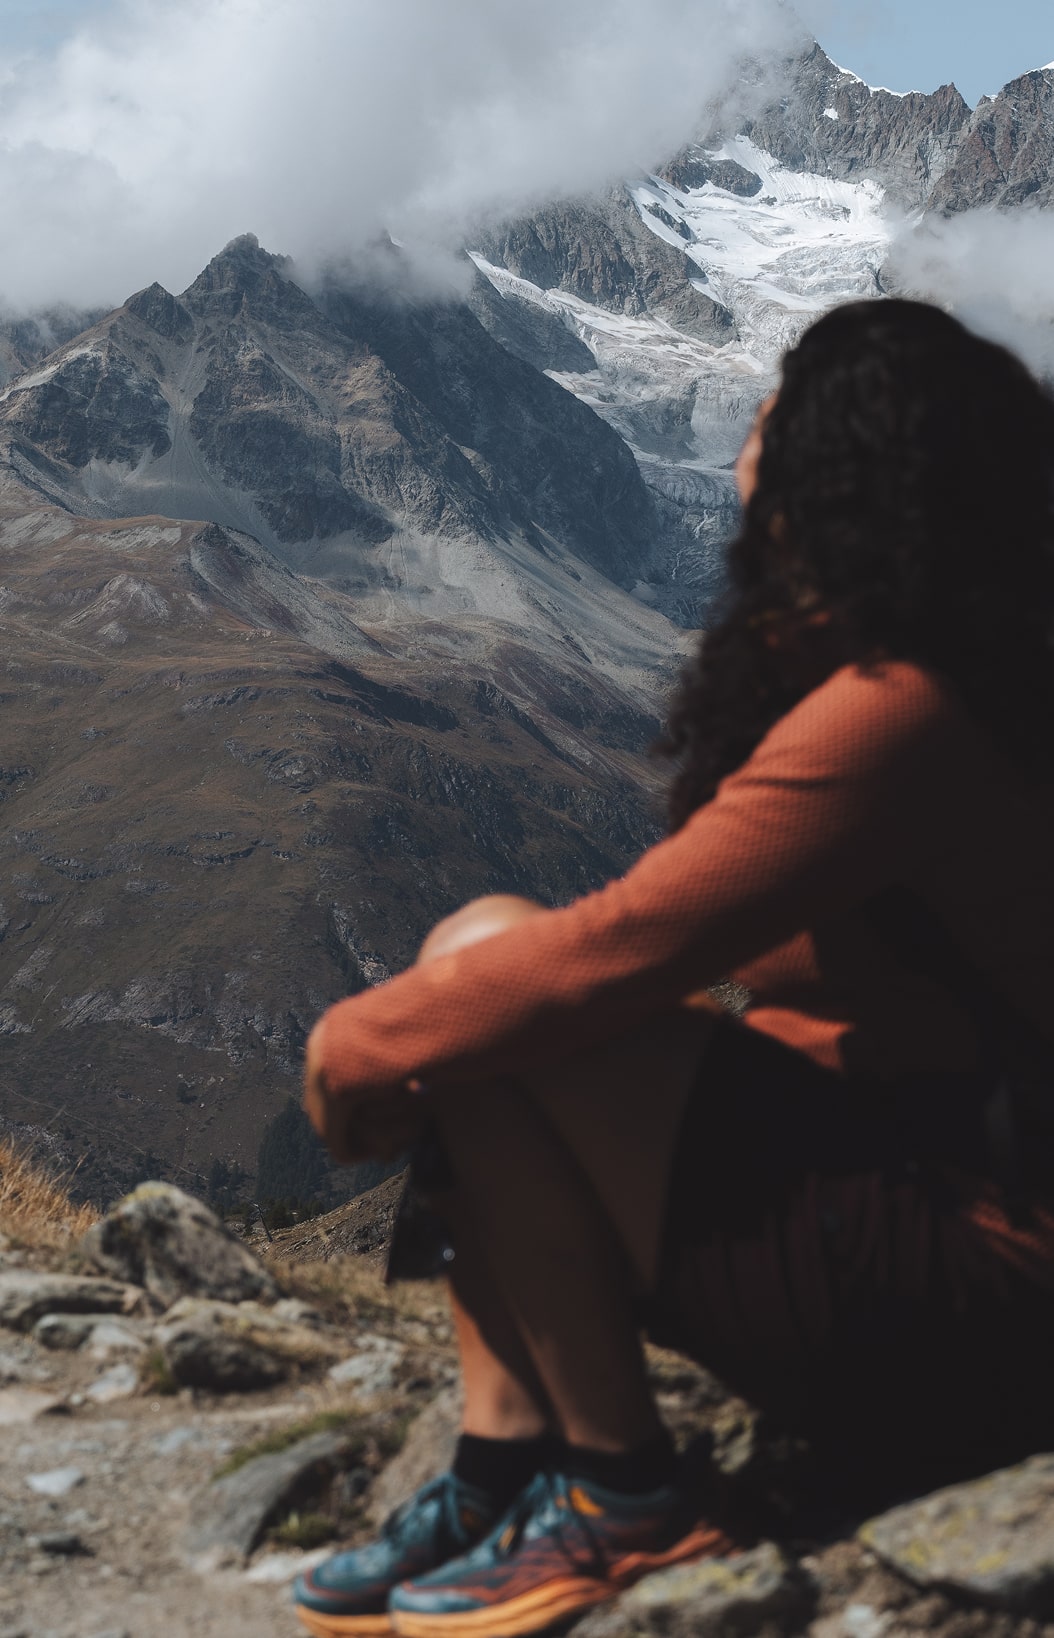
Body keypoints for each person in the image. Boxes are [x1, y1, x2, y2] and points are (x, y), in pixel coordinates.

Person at [294, 298, 1054, 1638]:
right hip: (930, 1213)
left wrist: (355, 1047)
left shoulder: (901, 711)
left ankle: (618, 1489)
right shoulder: (928, 670)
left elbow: (619, 953)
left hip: (982, 1297)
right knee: (486, 967)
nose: (748, 435)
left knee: (499, 979)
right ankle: (508, 1459)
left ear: (843, 460)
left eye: (774, 409)